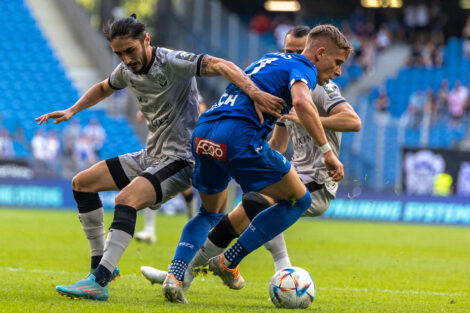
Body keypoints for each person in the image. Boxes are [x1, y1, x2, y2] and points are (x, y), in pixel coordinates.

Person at [35, 14, 285, 301]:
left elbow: (220, 64)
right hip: (151, 154)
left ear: (146, 40)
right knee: (82, 183)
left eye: (130, 50)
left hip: (182, 158)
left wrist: (254, 93)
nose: (126, 59)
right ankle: (99, 267)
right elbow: (105, 86)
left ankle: (99, 281)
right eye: (119, 54)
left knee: (125, 200)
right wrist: (72, 110)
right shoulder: (126, 70)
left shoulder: (171, 61)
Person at [141, 24, 360, 297]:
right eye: (337, 63)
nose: (338, 70)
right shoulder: (303, 72)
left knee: (218, 211)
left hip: (206, 131)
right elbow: (301, 107)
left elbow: (343, 121)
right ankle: (228, 261)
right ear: (318, 53)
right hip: (238, 138)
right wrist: (327, 151)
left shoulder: (268, 64)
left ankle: (178, 273)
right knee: (291, 200)